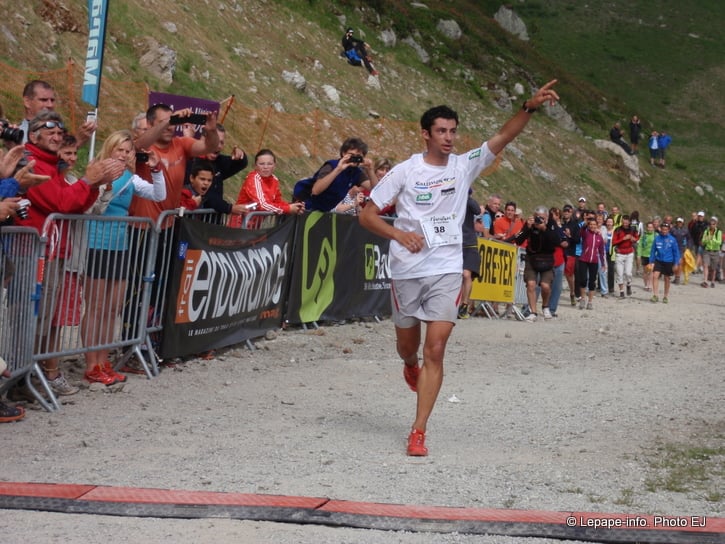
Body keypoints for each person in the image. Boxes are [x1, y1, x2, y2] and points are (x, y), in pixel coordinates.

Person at [359, 80, 560, 456]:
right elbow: (367, 217)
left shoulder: (464, 166)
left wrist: (529, 107)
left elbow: (503, 137)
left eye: (453, 131)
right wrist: (399, 236)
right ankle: (408, 364)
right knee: (409, 346)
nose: (449, 138)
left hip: (447, 268)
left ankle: (418, 431)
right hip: (406, 269)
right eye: (441, 132)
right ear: (425, 135)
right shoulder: (405, 171)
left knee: (435, 348)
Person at [16, 111, 124, 396]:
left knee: (47, 320)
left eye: (60, 131)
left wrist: (94, 184)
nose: (56, 135)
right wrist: (89, 181)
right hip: (35, 252)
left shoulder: (54, 165)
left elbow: (75, 205)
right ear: (34, 134)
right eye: (48, 131)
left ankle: (33, 376)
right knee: (30, 320)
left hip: (53, 251)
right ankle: (19, 378)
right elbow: (60, 202)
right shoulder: (33, 162)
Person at [82, 130, 166, 385]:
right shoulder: (96, 170)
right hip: (97, 243)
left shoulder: (131, 179)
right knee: (95, 307)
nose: (125, 154)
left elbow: (158, 195)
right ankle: (91, 363)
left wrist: (156, 169)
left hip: (120, 246)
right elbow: (89, 203)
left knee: (112, 308)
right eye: (120, 149)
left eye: (129, 150)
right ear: (110, 149)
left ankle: (104, 360)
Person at [185, 124, 250, 219]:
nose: (218, 146)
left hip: (213, 223)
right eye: (215, 141)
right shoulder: (192, 162)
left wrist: (240, 153)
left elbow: (241, 163)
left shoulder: (219, 161)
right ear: (203, 139)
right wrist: (229, 208)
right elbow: (206, 195)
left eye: (222, 142)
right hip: (192, 224)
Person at [230, 149, 305, 226]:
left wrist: (294, 206)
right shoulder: (253, 179)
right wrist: (288, 209)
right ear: (255, 166)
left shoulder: (275, 180)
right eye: (262, 164)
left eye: (269, 164)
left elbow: (277, 202)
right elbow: (262, 204)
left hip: (254, 226)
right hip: (240, 224)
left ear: (274, 165)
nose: (266, 167)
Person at [305, 137, 378, 212]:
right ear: (343, 153)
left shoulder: (356, 172)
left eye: (358, 156)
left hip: (327, 211)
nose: (354, 158)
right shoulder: (331, 166)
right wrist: (338, 169)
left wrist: (370, 170)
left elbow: (375, 189)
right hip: (308, 208)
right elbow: (315, 191)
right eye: (351, 155)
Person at [514, 205, 561, 321]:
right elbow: (518, 239)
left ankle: (545, 307)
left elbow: (557, 241)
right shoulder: (530, 223)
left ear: (547, 217)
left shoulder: (551, 224)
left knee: (545, 286)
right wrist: (527, 228)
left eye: (542, 217)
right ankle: (533, 312)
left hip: (547, 259)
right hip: (532, 258)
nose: (539, 219)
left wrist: (544, 228)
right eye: (537, 217)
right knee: (530, 284)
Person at [18, 80, 96, 146]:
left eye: (52, 100)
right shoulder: (19, 135)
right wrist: (77, 141)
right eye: (43, 100)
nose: (50, 105)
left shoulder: (59, 130)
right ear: (27, 102)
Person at [458, 191, 482, 319]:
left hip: (469, 242)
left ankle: (464, 304)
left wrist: (466, 196)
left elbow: (477, 210)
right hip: (454, 242)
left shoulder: (468, 201)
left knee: (466, 274)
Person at [577, 217, 606, 310]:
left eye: (594, 225)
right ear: (589, 226)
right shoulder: (585, 233)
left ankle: (590, 302)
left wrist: (603, 264)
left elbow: (601, 251)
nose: (592, 226)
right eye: (591, 225)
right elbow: (580, 231)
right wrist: (585, 224)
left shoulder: (599, 236)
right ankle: (582, 299)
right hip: (583, 259)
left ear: (597, 226)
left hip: (594, 261)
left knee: (592, 282)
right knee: (583, 280)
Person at [649, 222, 680, 303]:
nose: (664, 231)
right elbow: (653, 251)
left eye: (666, 230)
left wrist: (676, 263)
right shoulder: (657, 238)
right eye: (663, 230)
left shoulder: (672, 240)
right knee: (655, 276)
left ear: (668, 230)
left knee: (667, 279)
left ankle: (665, 296)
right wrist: (651, 262)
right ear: (660, 229)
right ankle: (655, 295)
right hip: (658, 260)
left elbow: (676, 252)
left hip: (668, 262)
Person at [611, 215, 640, 298]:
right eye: (623, 222)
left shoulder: (633, 229)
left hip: (629, 253)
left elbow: (637, 238)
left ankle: (628, 284)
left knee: (628, 273)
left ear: (629, 222)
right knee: (619, 274)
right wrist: (623, 239)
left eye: (626, 222)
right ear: (622, 221)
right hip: (619, 253)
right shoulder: (617, 230)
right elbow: (613, 242)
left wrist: (633, 239)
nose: (625, 223)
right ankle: (621, 291)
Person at [561, 204, 580, 305]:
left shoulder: (575, 225)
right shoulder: (560, 224)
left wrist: (569, 236)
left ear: (571, 212)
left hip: (570, 252)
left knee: (569, 274)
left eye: (568, 211)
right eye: (565, 211)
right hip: (560, 251)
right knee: (557, 272)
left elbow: (577, 240)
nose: (566, 212)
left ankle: (572, 292)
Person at [699, 216, 721, 288]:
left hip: (715, 251)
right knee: (705, 265)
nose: (712, 225)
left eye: (713, 224)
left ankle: (712, 281)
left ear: (716, 225)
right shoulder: (706, 231)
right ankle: (705, 281)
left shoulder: (718, 232)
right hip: (707, 251)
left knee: (713, 268)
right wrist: (708, 240)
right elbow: (703, 241)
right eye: (711, 224)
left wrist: (712, 239)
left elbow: (719, 242)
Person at [670, 217, 691, 284]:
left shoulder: (685, 230)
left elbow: (689, 239)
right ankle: (673, 275)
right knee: (673, 263)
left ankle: (678, 278)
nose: (679, 223)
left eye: (680, 222)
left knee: (679, 263)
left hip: (681, 248)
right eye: (678, 222)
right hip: (672, 248)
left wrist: (688, 247)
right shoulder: (672, 229)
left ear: (683, 223)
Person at [638, 221, 656, 291]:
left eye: (651, 227)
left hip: (653, 256)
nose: (649, 228)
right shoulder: (644, 235)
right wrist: (639, 254)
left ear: (653, 228)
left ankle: (650, 285)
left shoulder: (656, 235)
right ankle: (646, 285)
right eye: (648, 227)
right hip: (644, 255)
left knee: (651, 270)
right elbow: (640, 245)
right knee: (645, 271)